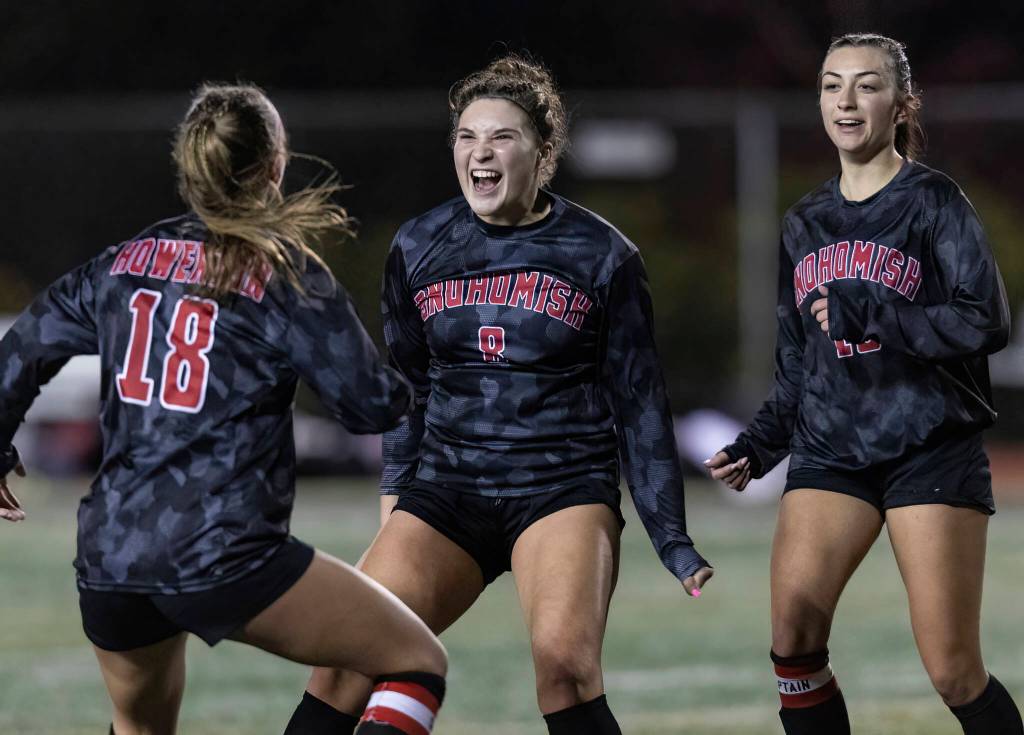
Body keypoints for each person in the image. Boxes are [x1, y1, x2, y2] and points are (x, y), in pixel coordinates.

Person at [0, 83, 450, 735]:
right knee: (415, 661)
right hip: (226, 552)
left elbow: (19, 352)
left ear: (188, 168)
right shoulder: (283, 272)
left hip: (114, 558)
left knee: (140, 727)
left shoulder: (123, 261)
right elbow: (366, 405)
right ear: (275, 165)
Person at [284, 54, 713, 735]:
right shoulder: (420, 244)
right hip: (450, 487)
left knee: (564, 669)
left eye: (502, 137)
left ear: (543, 154)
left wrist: (672, 537)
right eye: (467, 136)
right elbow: (408, 383)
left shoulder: (604, 256)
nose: (481, 151)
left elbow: (639, 403)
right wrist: (398, 493)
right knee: (344, 656)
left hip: (561, 487)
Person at [706, 33, 1023, 735]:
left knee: (952, 668)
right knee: (792, 638)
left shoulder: (934, 201)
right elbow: (799, 361)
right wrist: (760, 444)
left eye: (866, 85)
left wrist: (879, 313)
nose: (846, 100)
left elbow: (986, 320)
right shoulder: (803, 223)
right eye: (831, 84)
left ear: (901, 103)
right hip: (831, 448)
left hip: (929, 448)